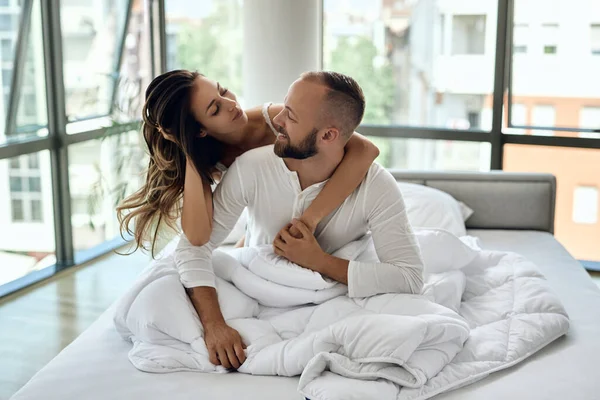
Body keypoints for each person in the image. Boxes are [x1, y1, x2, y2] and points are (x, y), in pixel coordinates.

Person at [175, 71, 424, 371]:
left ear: (328, 135)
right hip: (255, 286)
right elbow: (193, 246)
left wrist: (318, 260)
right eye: (282, 108)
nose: (276, 120)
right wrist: (214, 325)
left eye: (289, 116)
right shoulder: (249, 167)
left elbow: (409, 278)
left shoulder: (376, 185)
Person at [117, 70, 379, 254]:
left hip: (315, 225)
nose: (231, 103)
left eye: (222, 91)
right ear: (199, 131)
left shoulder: (275, 119)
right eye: (215, 109)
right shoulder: (211, 162)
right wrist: (185, 148)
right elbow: (198, 236)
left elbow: (366, 150)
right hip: (265, 235)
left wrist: (309, 220)